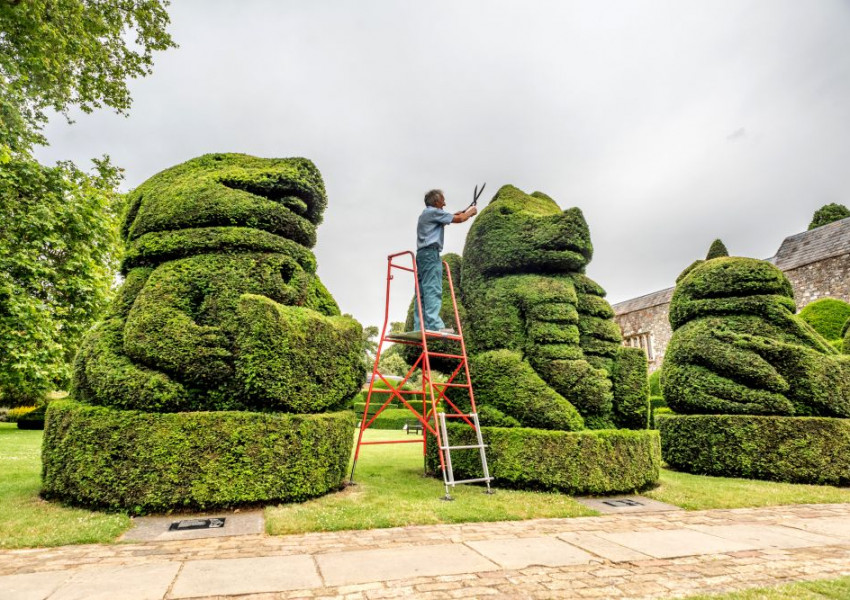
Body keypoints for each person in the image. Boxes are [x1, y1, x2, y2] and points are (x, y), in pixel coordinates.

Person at [412, 189, 477, 332]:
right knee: (433, 288)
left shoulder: (427, 214)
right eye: (443, 200)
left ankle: (419, 325)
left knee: (421, 291)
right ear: (436, 202)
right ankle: (435, 325)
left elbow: (452, 216)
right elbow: (459, 219)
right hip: (431, 255)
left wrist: (462, 213)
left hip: (422, 254)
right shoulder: (433, 212)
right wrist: (471, 212)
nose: (445, 203)